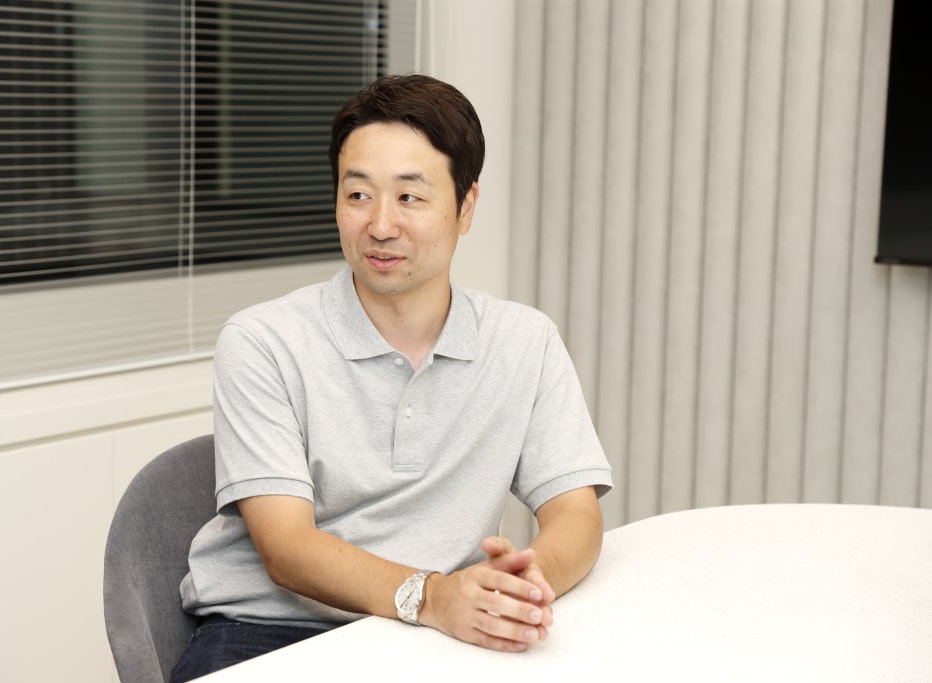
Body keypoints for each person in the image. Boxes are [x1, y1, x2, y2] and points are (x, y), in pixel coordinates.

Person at [169, 74, 613, 682]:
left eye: (409, 197)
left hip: (437, 636)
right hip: (270, 632)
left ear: (466, 207)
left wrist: (528, 585)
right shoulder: (263, 340)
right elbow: (287, 551)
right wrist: (432, 597)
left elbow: (576, 514)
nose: (380, 225)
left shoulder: (524, 341)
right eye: (358, 195)